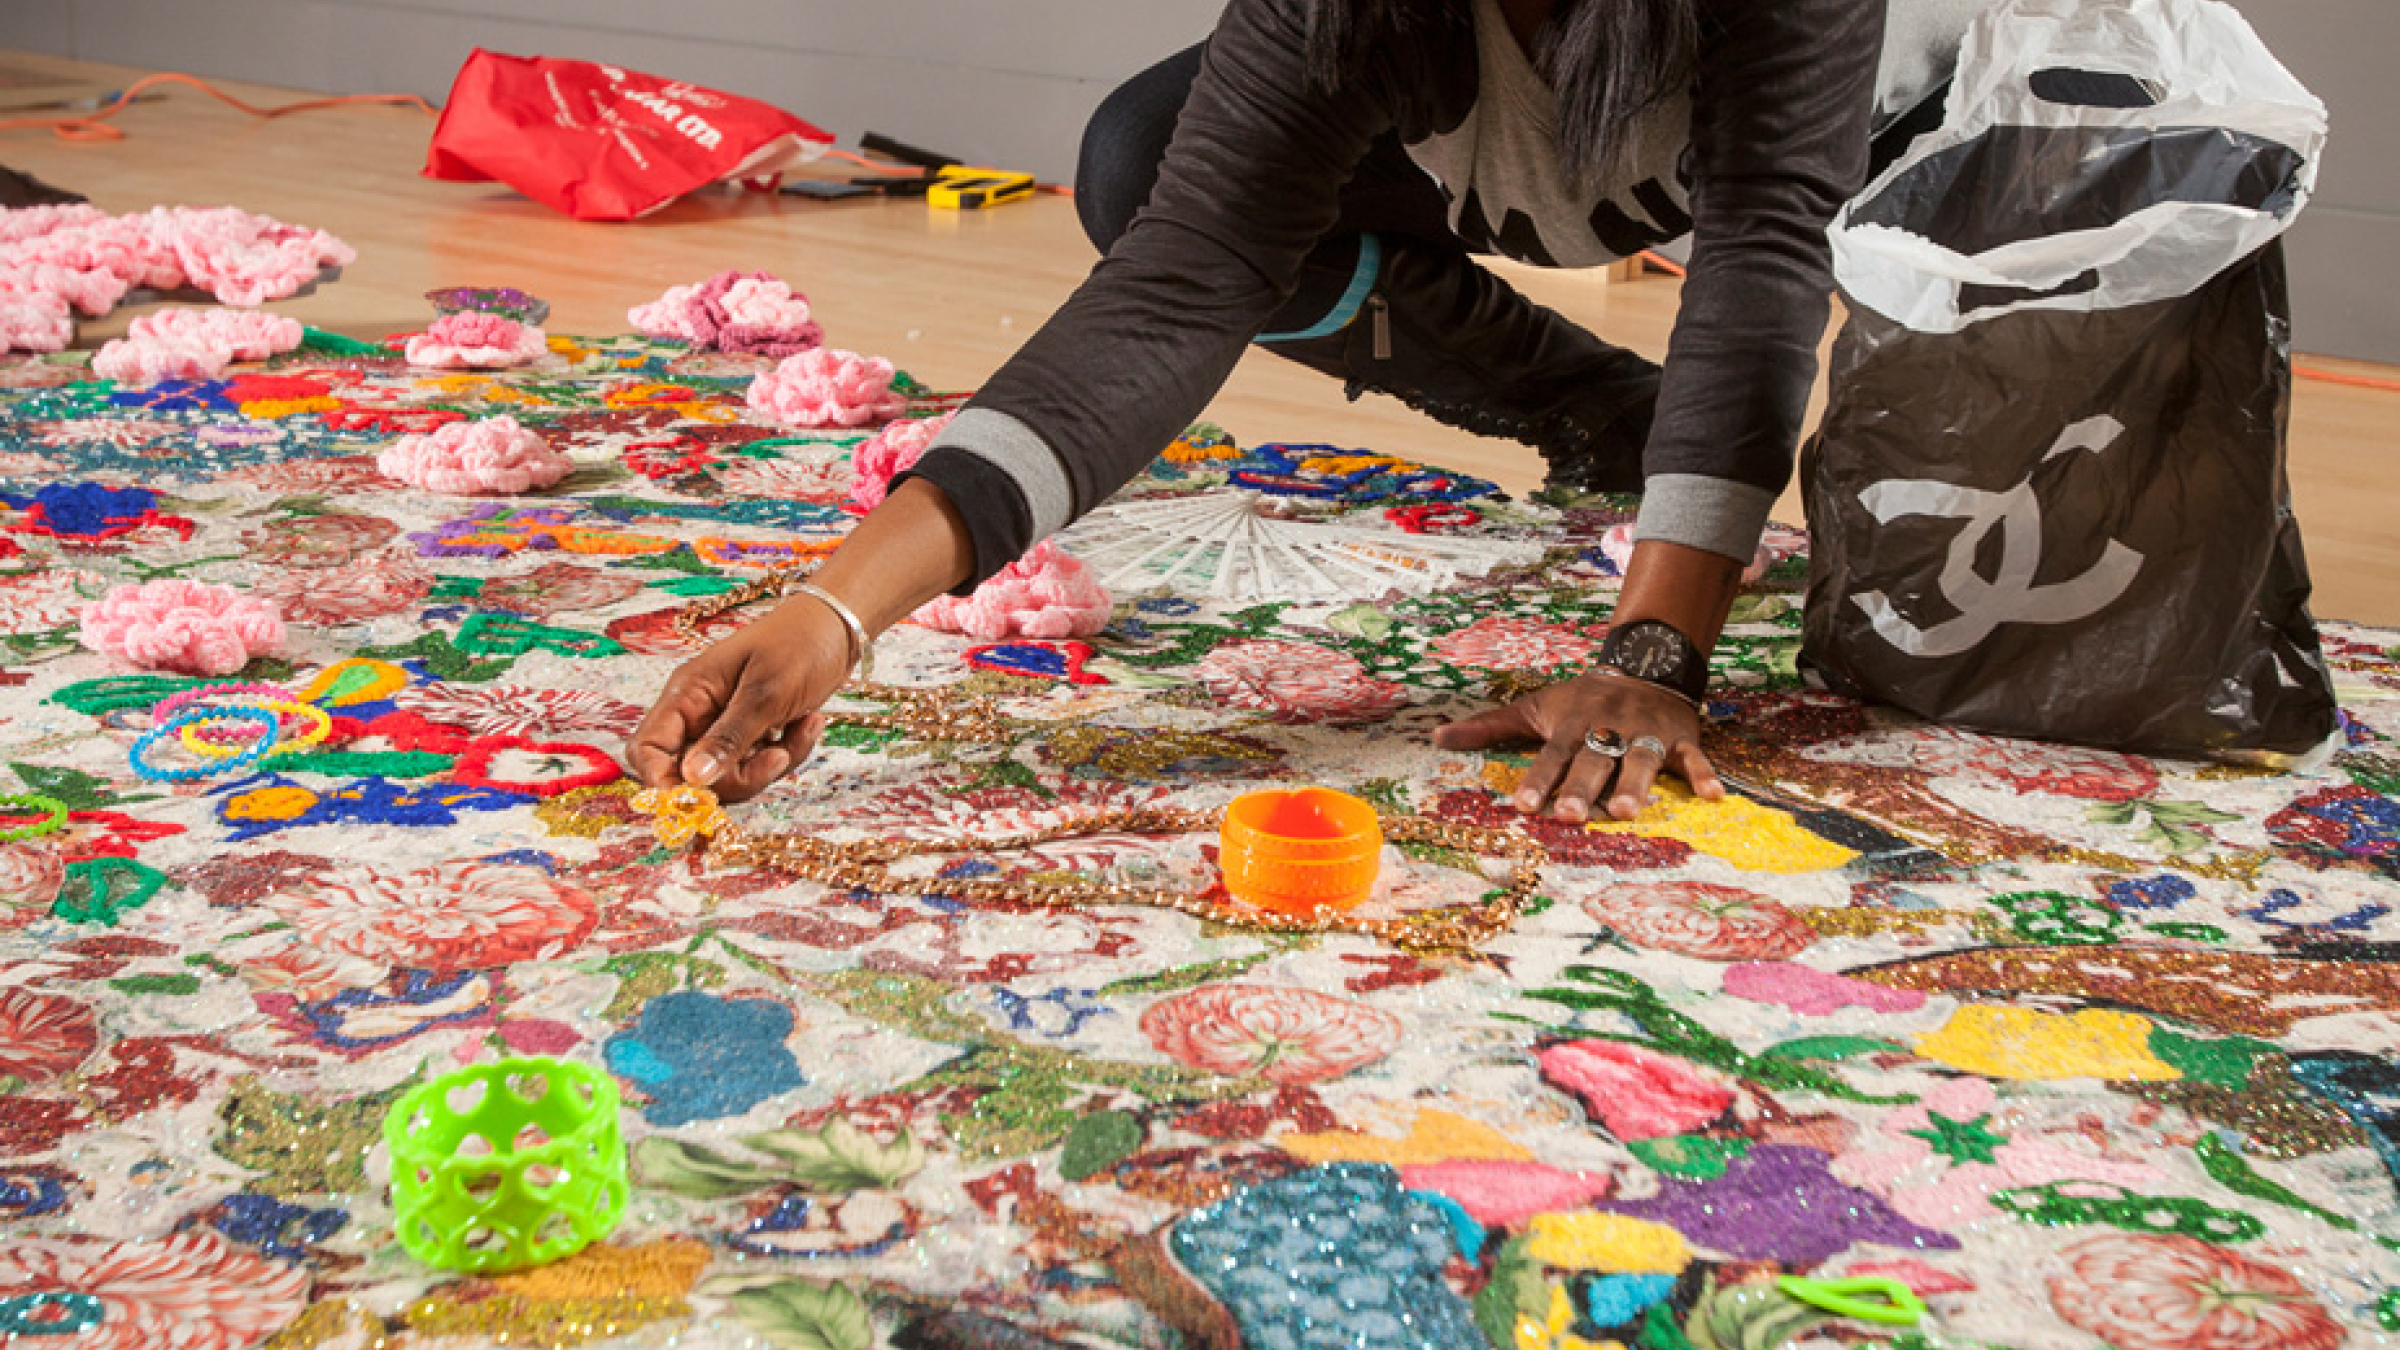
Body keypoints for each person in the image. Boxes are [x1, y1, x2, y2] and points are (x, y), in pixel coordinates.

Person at [628, 0, 1961, 822]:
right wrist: (837, 611)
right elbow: (1178, 284)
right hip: (1516, 159)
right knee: (1144, 164)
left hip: (1871, 146)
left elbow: (1762, 264)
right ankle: (1601, 410)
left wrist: (1658, 648)